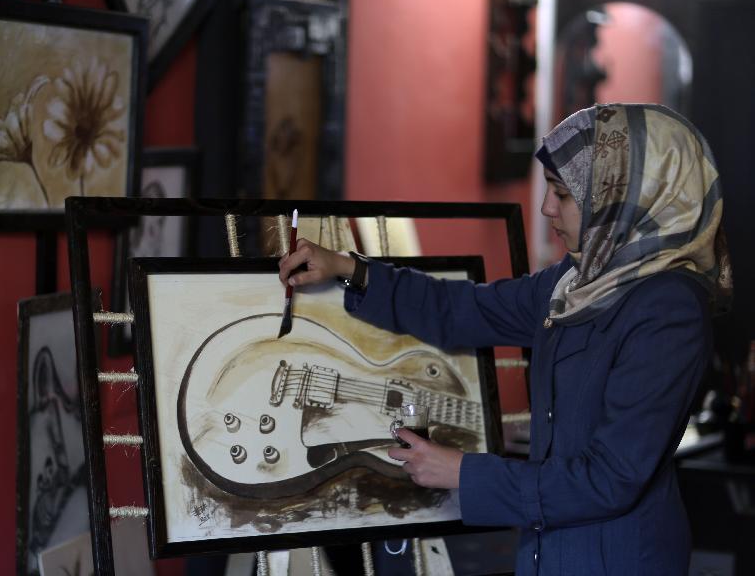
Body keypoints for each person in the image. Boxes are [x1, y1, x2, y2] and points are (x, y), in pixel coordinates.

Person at [278, 103, 731, 574]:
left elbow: (611, 479)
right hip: (546, 551)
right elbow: (463, 309)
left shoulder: (669, 309)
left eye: (563, 194)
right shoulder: (575, 282)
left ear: (622, 199)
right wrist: (351, 270)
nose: (546, 207)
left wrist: (461, 472)